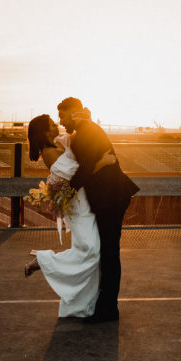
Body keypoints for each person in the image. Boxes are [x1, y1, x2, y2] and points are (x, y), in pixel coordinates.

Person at [57, 97, 139, 323]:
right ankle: (105, 305)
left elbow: (84, 171)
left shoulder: (86, 132)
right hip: (108, 198)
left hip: (111, 198)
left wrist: (63, 194)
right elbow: (89, 168)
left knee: (110, 253)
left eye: (63, 116)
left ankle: (109, 309)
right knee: (107, 253)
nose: (61, 122)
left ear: (73, 113)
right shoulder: (85, 131)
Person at [24, 114, 102, 320]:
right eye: (52, 124)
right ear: (45, 131)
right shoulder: (49, 152)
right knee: (90, 249)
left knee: (91, 249)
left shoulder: (59, 142)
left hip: (84, 198)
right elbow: (70, 174)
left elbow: (80, 141)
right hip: (77, 203)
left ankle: (83, 305)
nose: (57, 125)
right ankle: (43, 260)